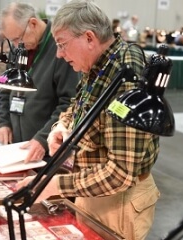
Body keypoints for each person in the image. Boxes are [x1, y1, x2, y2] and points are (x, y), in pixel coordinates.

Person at [16, 1, 160, 239]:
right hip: (90, 189)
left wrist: (53, 186)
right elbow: (77, 103)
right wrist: (62, 126)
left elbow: (121, 173)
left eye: (62, 45)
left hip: (117, 202)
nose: (60, 54)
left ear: (89, 38)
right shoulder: (98, 65)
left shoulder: (125, 75)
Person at [0, 2, 79, 163]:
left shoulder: (60, 49)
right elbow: (6, 90)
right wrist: (4, 122)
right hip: (16, 149)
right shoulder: (19, 48)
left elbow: (69, 103)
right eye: (11, 41)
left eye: (17, 39)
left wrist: (43, 138)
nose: (14, 46)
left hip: (45, 151)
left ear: (33, 24)